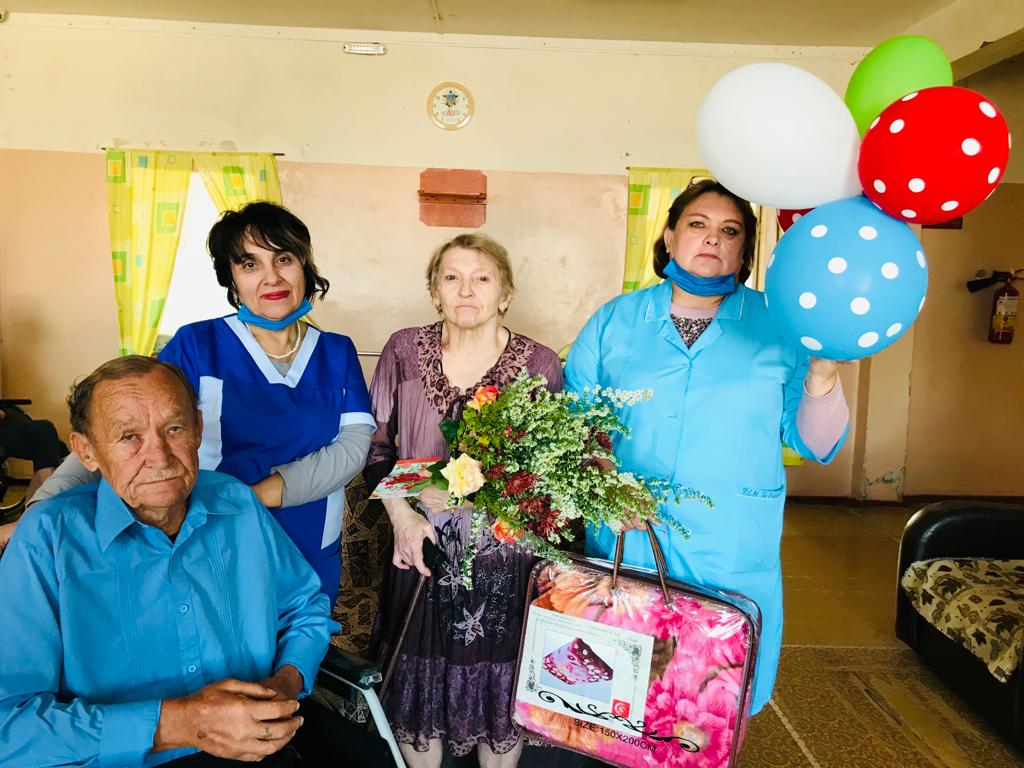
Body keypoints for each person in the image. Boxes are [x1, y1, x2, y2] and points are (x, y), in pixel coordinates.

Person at [564, 180, 851, 716]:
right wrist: (602, 480)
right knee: (620, 692)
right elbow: (576, 423)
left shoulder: (781, 325)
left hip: (729, 539)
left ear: (745, 251)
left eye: (730, 230)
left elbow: (816, 442)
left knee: (710, 704)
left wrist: (823, 373)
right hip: (631, 534)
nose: (712, 238)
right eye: (697, 224)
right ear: (669, 235)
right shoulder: (614, 321)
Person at [0, 356, 334, 767]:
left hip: (261, 746)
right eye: (129, 436)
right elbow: (10, 728)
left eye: (175, 428)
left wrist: (286, 680)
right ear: (86, 451)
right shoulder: (48, 539)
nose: (159, 457)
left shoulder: (237, 504)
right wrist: (183, 723)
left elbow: (305, 607)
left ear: (197, 429)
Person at [31, 202, 373, 601]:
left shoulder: (337, 352)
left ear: (304, 265)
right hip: (212, 534)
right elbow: (115, 432)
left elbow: (353, 447)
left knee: (304, 635)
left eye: (284, 259)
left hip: (308, 541)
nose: (272, 277)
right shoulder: (196, 345)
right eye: (249, 264)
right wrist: (39, 512)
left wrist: (253, 497)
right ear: (231, 277)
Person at [365, 234, 563, 768]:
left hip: (504, 560)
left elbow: (549, 476)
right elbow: (377, 449)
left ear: (505, 293)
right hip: (420, 548)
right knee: (417, 683)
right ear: (435, 291)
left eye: (482, 278)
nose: (466, 290)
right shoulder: (403, 351)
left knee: (499, 687)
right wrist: (403, 516)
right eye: (451, 277)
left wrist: (491, 494)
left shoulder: (540, 365)